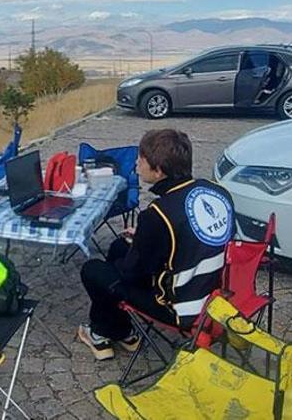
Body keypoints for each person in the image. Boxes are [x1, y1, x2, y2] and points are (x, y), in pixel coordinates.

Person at [78, 129, 234, 360]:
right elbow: (192, 235)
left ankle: (105, 332)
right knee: (119, 247)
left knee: (93, 270)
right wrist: (142, 240)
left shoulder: (157, 214)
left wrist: (142, 243)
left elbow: (131, 273)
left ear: (158, 171)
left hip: (184, 307)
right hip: (216, 290)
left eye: (141, 160)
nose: (136, 165)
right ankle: (119, 332)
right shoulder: (217, 191)